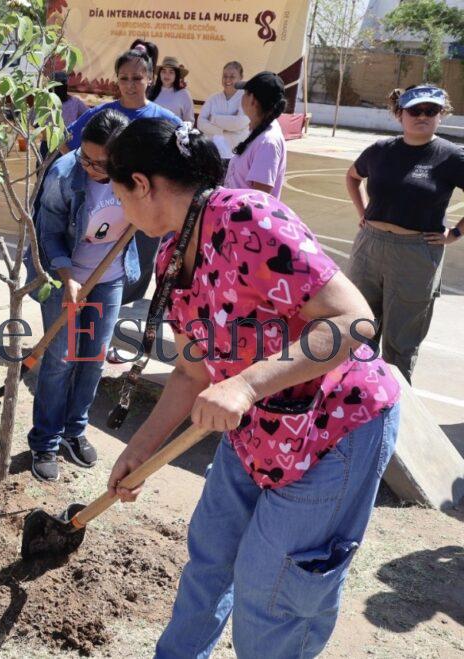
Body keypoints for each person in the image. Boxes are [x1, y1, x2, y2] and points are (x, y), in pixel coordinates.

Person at [104, 119, 401, 658]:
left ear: (142, 184)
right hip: (259, 428)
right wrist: (140, 450)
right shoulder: (173, 257)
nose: (121, 210)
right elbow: (193, 373)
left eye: (120, 194)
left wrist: (243, 385)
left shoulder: (248, 217)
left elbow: (353, 319)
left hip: (332, 426)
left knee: (274, 593)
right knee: (210, 559)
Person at [26, 109, 159, 482]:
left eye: (98, 162)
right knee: (61, 359)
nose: (87, 166)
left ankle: (74, 431)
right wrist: (66, 278)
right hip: (63, 274)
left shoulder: (139, 174)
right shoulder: (64, 175)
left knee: (93, 358)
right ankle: (46, 441)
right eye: (84, 155)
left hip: (109, 276)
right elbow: (48, 234)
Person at [346, 84, 464, 383]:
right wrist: (363, 213)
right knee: (357, 330)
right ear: (400, 114)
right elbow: (353, 175)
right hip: (369, 248)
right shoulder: (380, 150)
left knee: (400, 345)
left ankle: (393, 410)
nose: (422, 116)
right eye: (415, 110)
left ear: (441, 114)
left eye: (431, 110)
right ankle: (354, 405)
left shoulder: (451, 157)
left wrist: (456, 233)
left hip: (416, 254)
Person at [62, 44, 180, 153]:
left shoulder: (167, 120)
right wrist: (87, 170)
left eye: (137, 78)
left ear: (150, 79)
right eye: (124, 78)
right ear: (117, 79)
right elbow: (63, 142)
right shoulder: (100, 114)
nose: (130, 85)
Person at [224, 71, 288, 197]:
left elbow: (259, 199)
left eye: (245, 93)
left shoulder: (267, 142)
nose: (241, 97)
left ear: (253, 100)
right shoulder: (259, 132)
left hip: (244, 216)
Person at [197, 61, 250, 156]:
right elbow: (201, 123)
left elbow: (239, 122)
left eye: (232, 76)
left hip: (236, 155)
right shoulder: (213, 98)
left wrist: (213, 118)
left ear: (241, 78)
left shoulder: (246, 98)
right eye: (225, 76)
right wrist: (223, 130)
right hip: (214, 153)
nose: (227, 80)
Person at [149, 56, 194, 123]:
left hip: (174, 132)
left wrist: (180, 131)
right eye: (164, 71)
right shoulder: (150, 91)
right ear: (159, 74)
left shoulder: (184, 94)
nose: (167, 75)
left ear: (176, 75)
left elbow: (189, 121)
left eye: (171, 72)